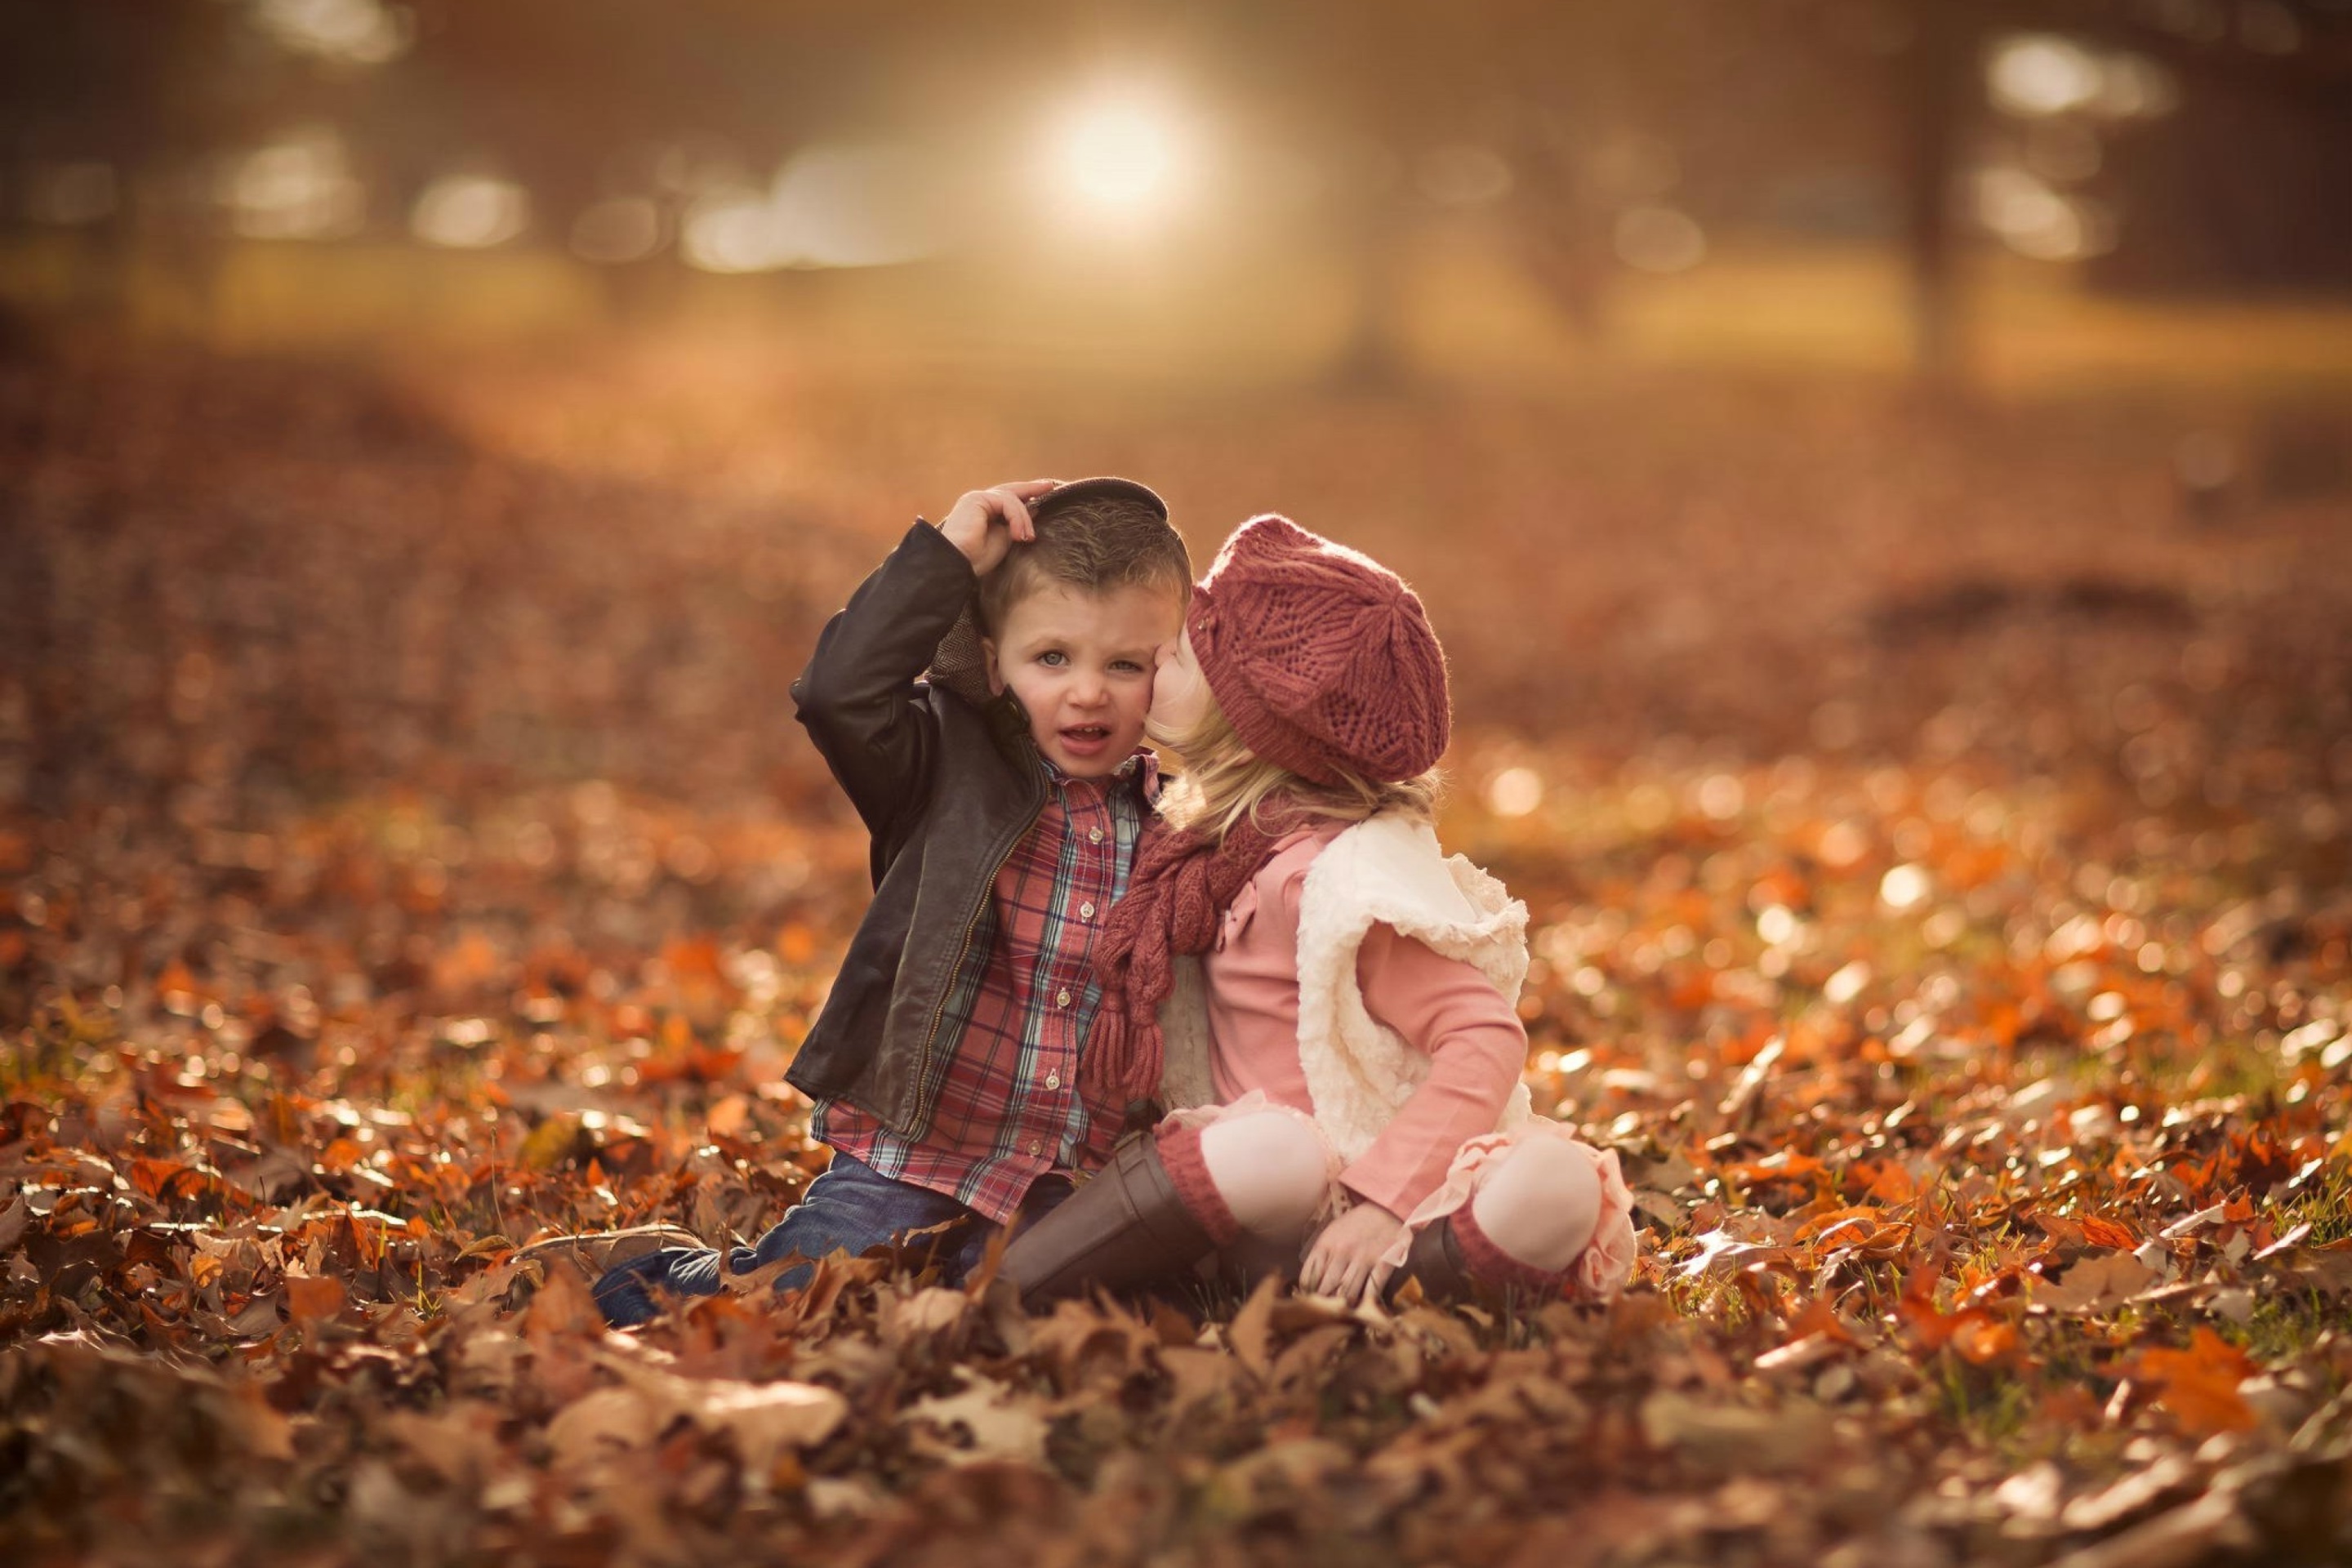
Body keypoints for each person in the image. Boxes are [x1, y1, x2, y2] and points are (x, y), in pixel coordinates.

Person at [996, 514, 1638, 1310]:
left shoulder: (1338, 881)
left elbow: (1482, 1038)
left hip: (1380, 1188)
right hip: (1257, 1192)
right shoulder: (1200, 848)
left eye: (1186, 652)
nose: (1159, 653)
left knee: (1555, 1182)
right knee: (1274, 1154)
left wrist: (1379, 1205)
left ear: (1251, 723)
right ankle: (1014, 1287)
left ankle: (1384, 1288)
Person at [591, 477, 1192, 1326]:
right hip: (915, 1153)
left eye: (1124, 665)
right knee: (800, 1297)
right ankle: (648, 1278)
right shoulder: (944, 762)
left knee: (1010, 1313)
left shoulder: (1181, 818)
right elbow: (837, 695)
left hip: (1065, 1173)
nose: (1087, 692)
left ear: (1168, 671)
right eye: (1051, 658)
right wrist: (944, 559)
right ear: (994, 658)